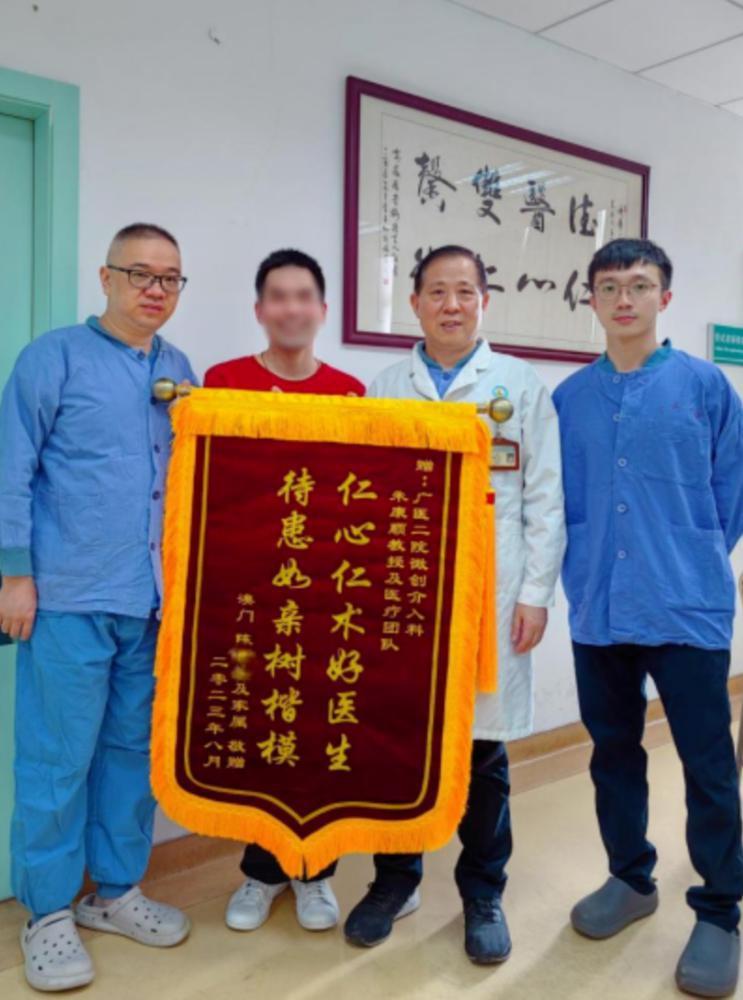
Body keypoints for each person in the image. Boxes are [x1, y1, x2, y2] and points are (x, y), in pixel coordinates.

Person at [343, 244, 565, 964]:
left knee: (481, 748)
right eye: (436, 291)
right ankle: (394, 879)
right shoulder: (386, 387)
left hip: (489, 594)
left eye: (464, 291)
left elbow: (544, 498)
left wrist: (534, 596)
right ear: (413, 303)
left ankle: (482, 892)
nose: (451, 305)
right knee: (396, 741)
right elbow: (363, 496)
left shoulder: (519, 385)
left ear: (483, 302)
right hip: (403, 593)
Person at [0, 223, 196, 992]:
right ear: (107, 277)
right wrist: (15, 575)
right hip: (67, 595)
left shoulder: (179, 370)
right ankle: (47, 912)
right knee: (57, 757)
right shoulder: (51, 358)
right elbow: (11, 468)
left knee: (130, 752)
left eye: (170, 278)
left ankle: (113, 891)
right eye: (140, 273)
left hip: (151, 600)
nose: (155, 289)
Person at [553, 238, 743, 999]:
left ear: (664, 297)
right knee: (612, 753)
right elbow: (559, 499)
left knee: (706, 762)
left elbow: (730, 493)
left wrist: (689, 554)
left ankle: (721, 910)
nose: (623, 299)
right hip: (598, 603)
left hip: (685, 601)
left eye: (638, 285)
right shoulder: (569, 398)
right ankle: (630, 878)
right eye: (609, 287)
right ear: (591, 300)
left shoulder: (705, 387)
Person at [205, 248, 363, 935]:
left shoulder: (352, 394)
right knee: (255, 728)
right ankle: (260, 871)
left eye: (304, 297)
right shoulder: (224, 383)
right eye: (278, 296)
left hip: (325, 596)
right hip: (245, 594)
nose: (291, 309)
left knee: (318, 730)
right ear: (260, 309)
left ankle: (314, 872)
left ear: (322, 311)